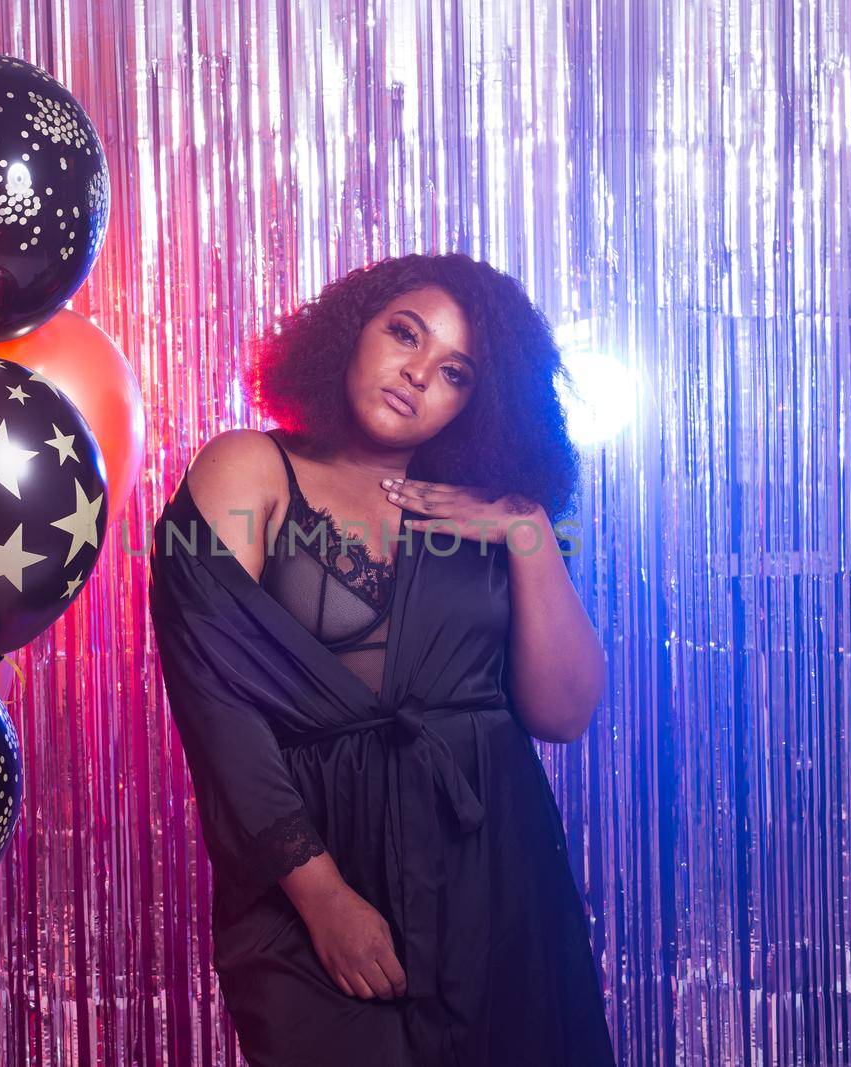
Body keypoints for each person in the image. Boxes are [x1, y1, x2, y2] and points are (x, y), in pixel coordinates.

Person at [148, 252, 614, 1065]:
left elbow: (563, 713)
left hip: (495, 871)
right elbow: (217, 709)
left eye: (457, 372)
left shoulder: (492, 511)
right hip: (315, 863)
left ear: (482, 399)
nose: (417, 374)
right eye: (405, 333)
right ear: (349, 329)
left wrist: (530, 534)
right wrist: (322, 895)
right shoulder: (249, 467)